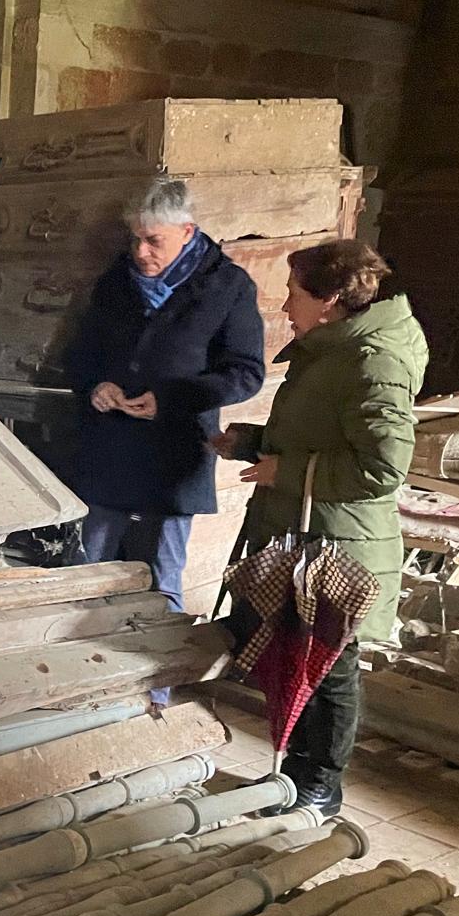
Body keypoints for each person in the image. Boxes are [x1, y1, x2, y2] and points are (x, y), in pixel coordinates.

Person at [213, 239, 427, 816]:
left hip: (341, 544)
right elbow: (325, 434)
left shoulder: (372, 360)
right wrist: (252, 443)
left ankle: (320, 785)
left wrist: (289, 469)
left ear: (330, 300)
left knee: (329, 665)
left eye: (294, 293)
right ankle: (293, 775)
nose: (285, 304)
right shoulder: (332, 348)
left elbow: (383, 468)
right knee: (298, 654)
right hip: (310, 532)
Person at [64, 177, 266, 618]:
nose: (141, 252)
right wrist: (97, 384)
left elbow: (246, 373)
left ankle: (157, 683)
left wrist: (170, 399)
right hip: (109, 449)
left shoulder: (227, 287)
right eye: (135, 238)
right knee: (85, 570)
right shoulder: (116, 282)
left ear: (188, 232)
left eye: (154, 241)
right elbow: (81, 353)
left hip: (175, 454)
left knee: (161, 574)